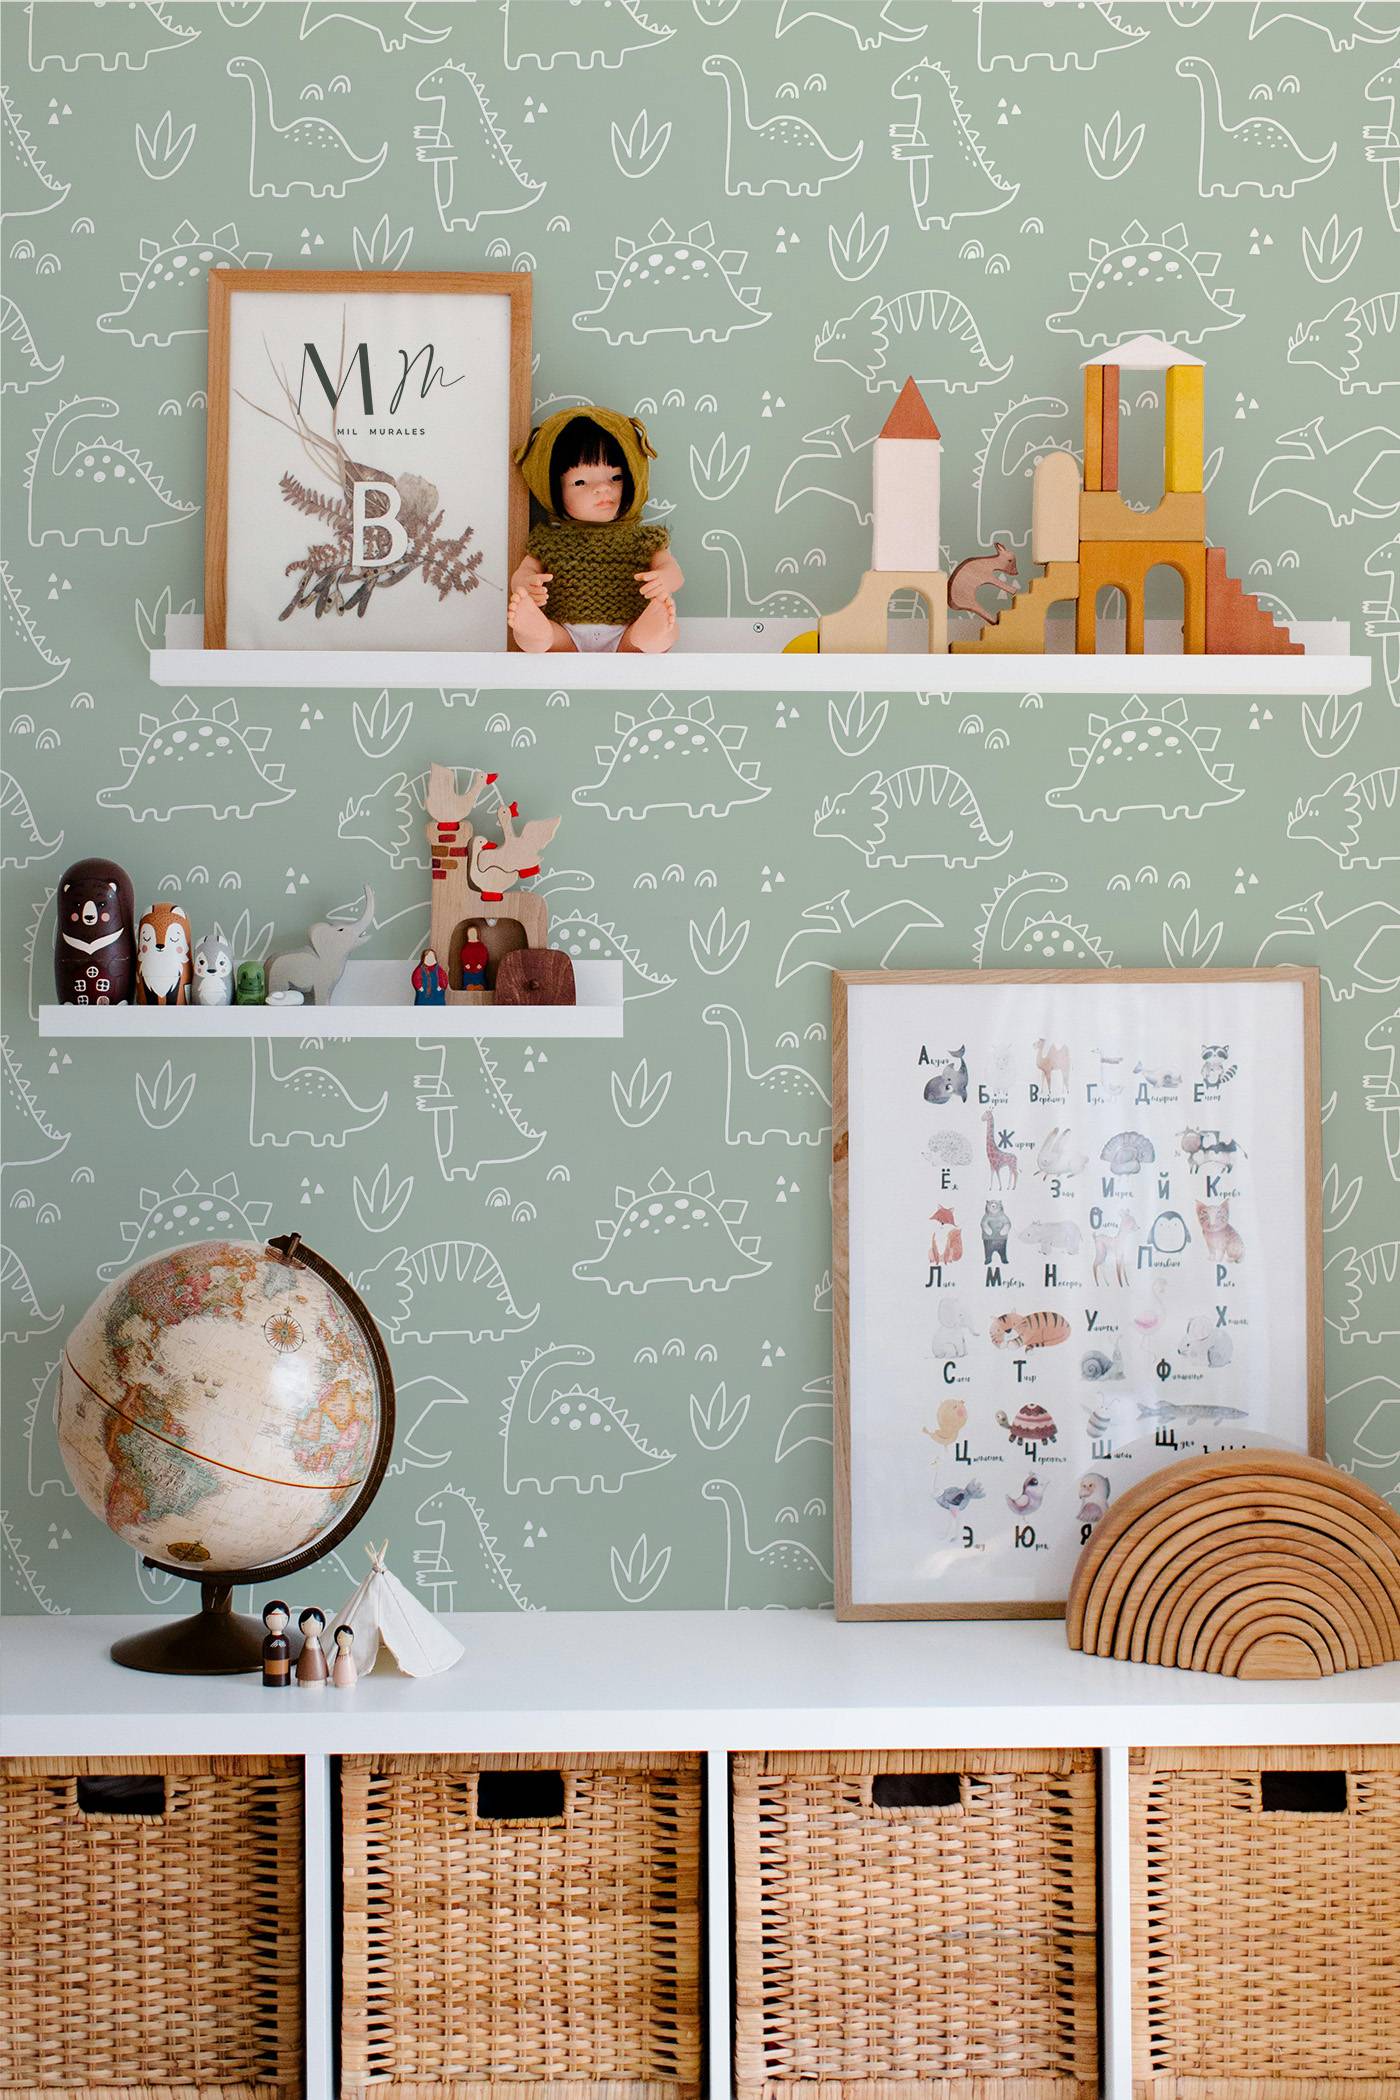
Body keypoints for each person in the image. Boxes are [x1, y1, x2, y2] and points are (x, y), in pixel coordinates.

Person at [508, 407, 682, 655]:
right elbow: (525, 571)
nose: (602, 488)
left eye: (616, 478)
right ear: (553, 489)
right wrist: (525, 584)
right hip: (567, 632)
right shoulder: (549, 541)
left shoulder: (644, 539)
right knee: (546, 639)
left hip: (626, 632)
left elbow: (673, 571)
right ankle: (536, 633)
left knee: (666, 633)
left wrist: (664, 579)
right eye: (580, 482)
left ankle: (649, 635)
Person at [261, 1599, 292, 1689]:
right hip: (269, 1676)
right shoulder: (267, 1640)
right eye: (272, 1617)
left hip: (284, 1676)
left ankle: (283, 1679)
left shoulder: (285, 1640)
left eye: (283, 1618)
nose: (278, 1620)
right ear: (266, 1619)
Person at [295, 1605, 328, 1686]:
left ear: (321, 1625)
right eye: (306, 1624)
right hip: (304, 1680)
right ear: (302, 1626)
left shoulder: (317, 1647)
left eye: (316, 1624)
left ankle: (318, 1678)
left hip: (320, 1679)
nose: (311, 1626)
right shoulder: (306, 1648)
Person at [460, 923, 489, 989]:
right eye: (470, 933)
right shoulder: (466, 947)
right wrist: (466, 964)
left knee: (479, 977)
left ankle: (479, 986)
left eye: (473, 933)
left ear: (477, 934)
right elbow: (464, 955)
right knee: (468, 978)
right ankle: (468, 986)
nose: (472, 935)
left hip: (478, 968)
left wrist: (481, 964)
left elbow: (484, 956)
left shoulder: (481, 946)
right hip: (468, 969)